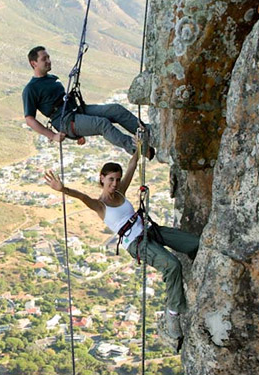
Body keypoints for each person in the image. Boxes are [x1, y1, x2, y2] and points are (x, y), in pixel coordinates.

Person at [43, 143, 199, 339]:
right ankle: (173, 314)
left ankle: (197, 266)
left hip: (150, 230)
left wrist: (140, 144)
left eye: (117, 179)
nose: (115, 183)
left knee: (195, 243)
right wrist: (62, 189)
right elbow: (82, 196)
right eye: (110, 179)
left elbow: (133, 165)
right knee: (172, 265)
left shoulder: (120, 193)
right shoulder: (101, 205)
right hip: (137, 243)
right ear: (102, 179)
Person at [22, 46, 154, 159]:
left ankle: (147, 131)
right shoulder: (31, 89)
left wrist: (81, 131)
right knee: (102, 124)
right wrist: (53, 135)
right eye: (44, 59)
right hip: (65, 121)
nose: (48, 61)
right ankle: (138, 149)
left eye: (48, 57)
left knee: (115, 110)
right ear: (34, 63)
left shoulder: (52, 78)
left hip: (76, 111)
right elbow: (29, 119)